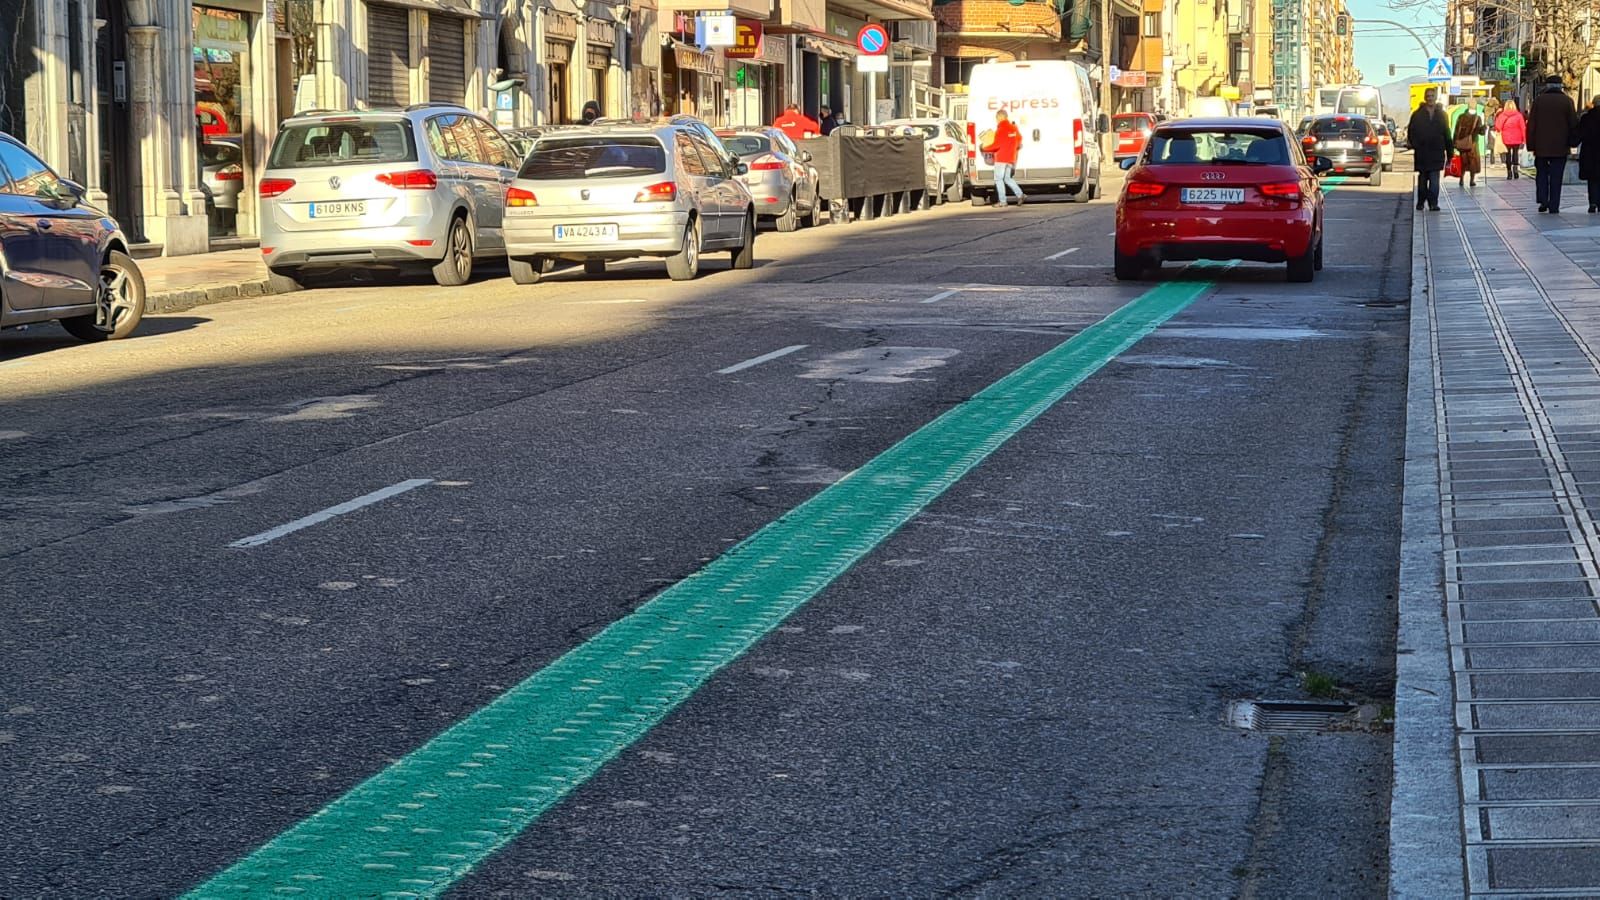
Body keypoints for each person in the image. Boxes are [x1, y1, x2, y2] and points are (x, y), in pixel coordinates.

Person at [1526, 75, 1579, 213]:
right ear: (1560, 86)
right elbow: (1573, 123)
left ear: (1547, 86)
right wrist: (1572, 142)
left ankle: (1543, 200)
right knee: (1557, 176)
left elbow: (1531, 125)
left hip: (1541, 146)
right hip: (1560, 147)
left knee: (1542, 174)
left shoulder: (1539, 101)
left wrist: (1531, 145)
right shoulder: (1567, 101)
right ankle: (1554, 205)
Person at [1408, 87, 1453, 212]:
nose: (1430, 98)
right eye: (1428, 96)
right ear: (1425, 97)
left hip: (1437, 152)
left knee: (1434, 180)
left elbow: (1447, 133)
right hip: (1422, 152)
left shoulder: (1442, 115)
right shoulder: (1417, 114)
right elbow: (1411, 131)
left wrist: (1450, 153)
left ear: (1435, 97)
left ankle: (1433, 203)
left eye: (1432, 95)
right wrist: (1415, 144)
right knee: (1422, 180)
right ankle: (1421, 201)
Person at [985, 109, 1025, 207]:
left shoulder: (1000, 130)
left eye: (996, 118)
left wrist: (985, 148)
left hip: (1001, 158)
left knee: (999, 179)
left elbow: (996, 145)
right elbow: (1019, 139)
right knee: (1007, 178)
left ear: (999, 117)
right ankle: (1020, 195)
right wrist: (1013, 147)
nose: (996, 120)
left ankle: (1003, 201)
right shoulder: (1013, 128)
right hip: (1011, 158)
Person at [1454, 103, 1485, 188]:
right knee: (1473, 162)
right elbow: (1481, 132)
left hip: (1462, 143)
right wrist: (1483, 128)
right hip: (1473, 144)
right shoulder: (1477, 118)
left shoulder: (1461, 117)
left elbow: (1456, 130)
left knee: (1463, 162)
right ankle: (1472, 180)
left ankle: (1461, 179)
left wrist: (1454, 142)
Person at [1494, 98, 1527, 180]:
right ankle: (1515, 171)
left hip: (1506, 138)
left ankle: (1509, 173)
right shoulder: (1519, 115)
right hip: (1517, 137)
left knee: (1508, 154)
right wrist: (1524, 139)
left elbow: (1498, 127)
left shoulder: (1502, 115)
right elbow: (1523, 128)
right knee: (1515, 153)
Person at [1579, 96, 1600, 213]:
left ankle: (1592, 202)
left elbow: (1580, 133)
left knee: (1592, 179)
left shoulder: (1586, 118)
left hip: (1590, 151)